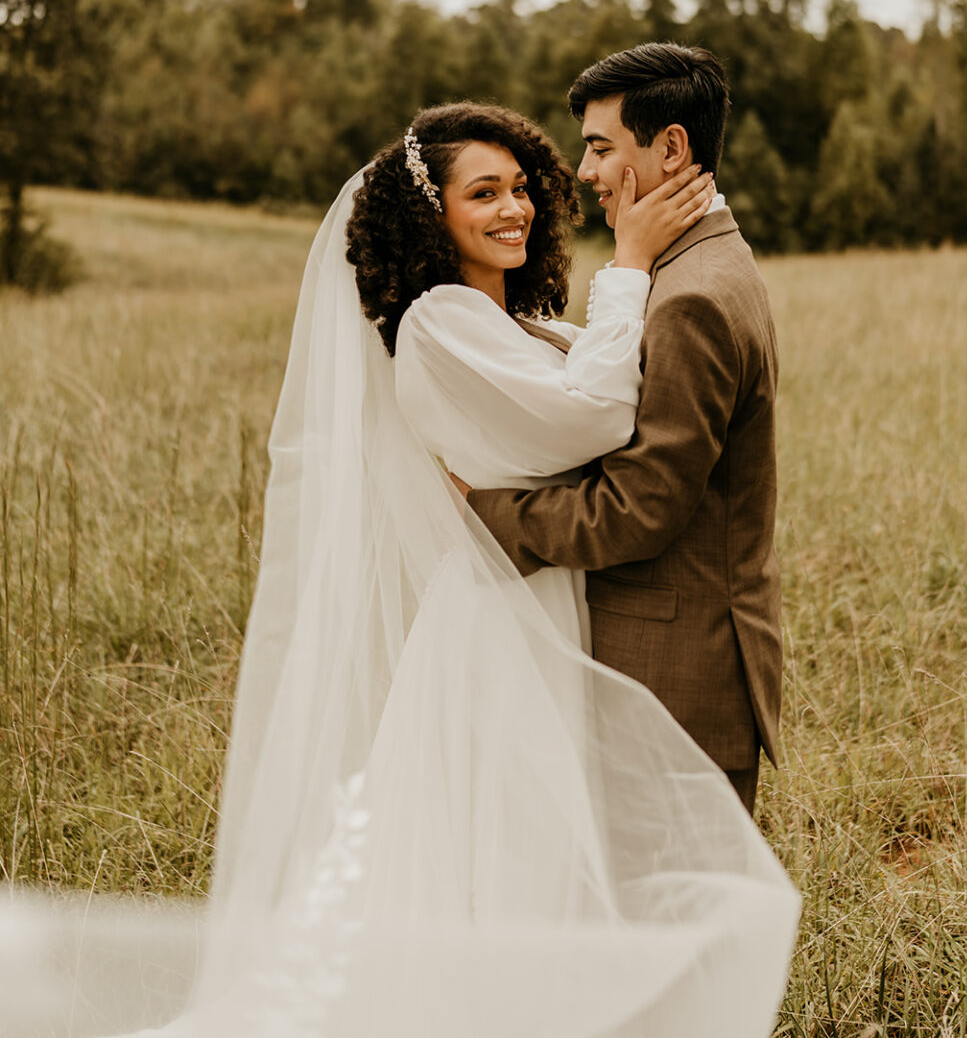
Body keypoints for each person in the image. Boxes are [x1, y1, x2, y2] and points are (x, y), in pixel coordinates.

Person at [9, 100, 799, 1038]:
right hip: (501, 629)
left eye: (520, 189)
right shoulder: (437, 324)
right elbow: (597, 415)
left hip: (539, 609)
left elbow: (586, 389)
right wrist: (628, 264)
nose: (515, 210)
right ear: (431, 215)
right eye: (483, 194)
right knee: (500, 874)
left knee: (529, 875)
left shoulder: (501, 315)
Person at [465, 46, 782, 817]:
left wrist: (488, 511)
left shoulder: (690, 299)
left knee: (670, 931)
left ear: (671, 148)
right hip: (671, 662)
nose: (584, 170)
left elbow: (641, 508)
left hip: (675, 671)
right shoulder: (695, 264)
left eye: (602, 147)